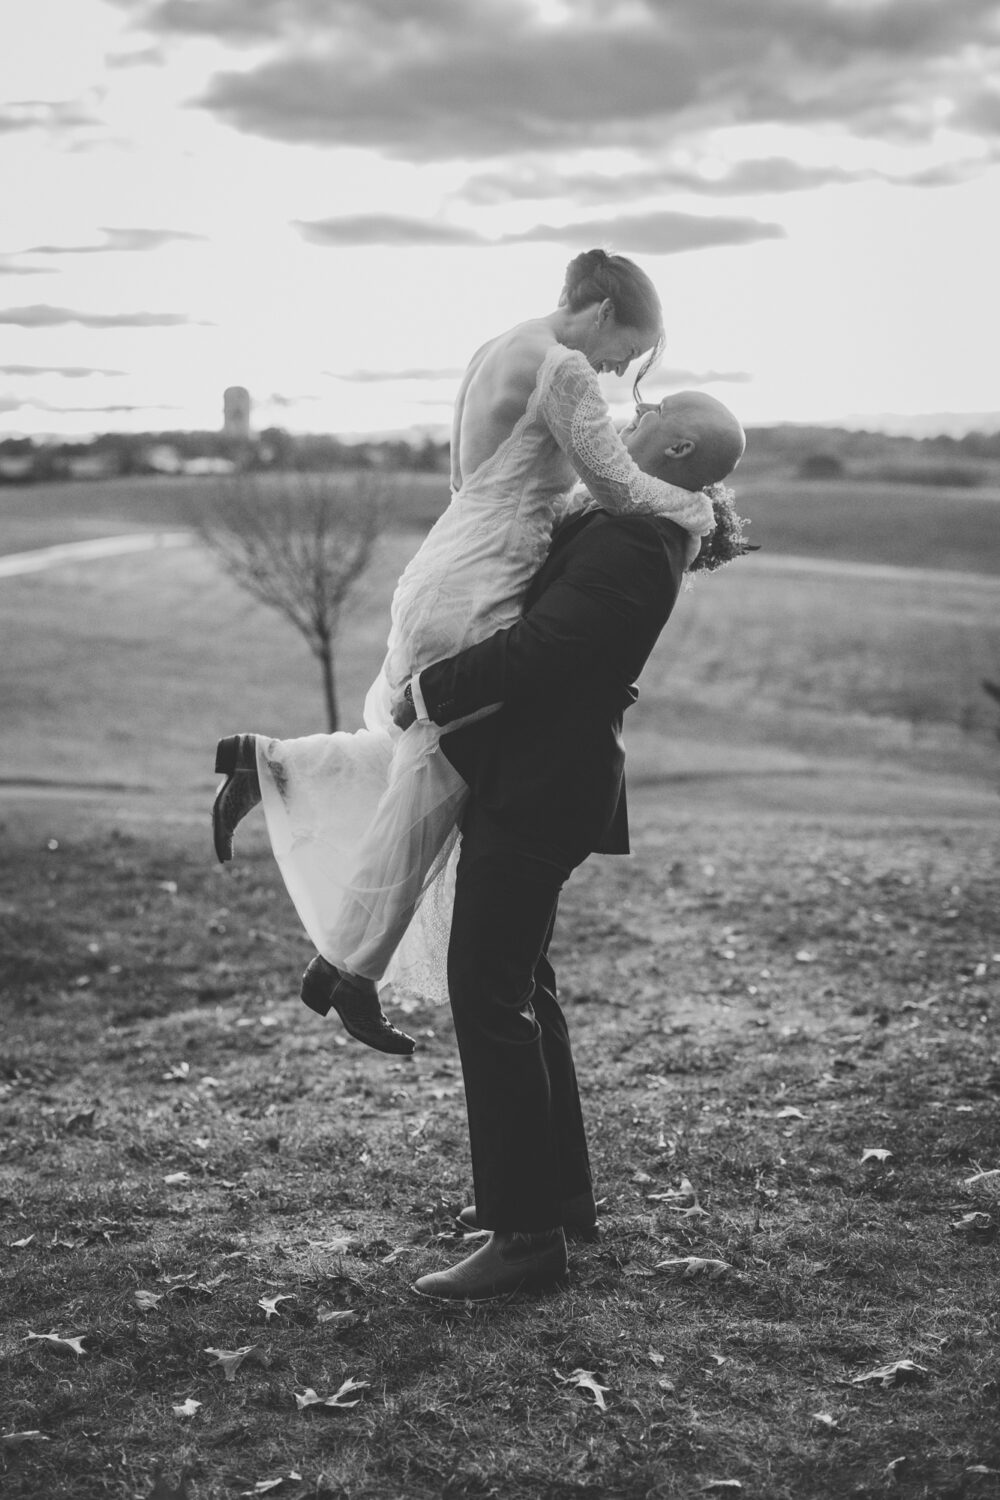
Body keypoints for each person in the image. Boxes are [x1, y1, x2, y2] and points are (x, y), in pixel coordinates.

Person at [212, 251, 717, 1052]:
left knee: (423, 753)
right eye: (629, 348)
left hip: (447, 567)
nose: (621, 371)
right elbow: (619, 488)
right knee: (439, 776)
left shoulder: (498, 347)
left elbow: (494, 482)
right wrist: (698, 512)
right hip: (479, 589)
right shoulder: (562, 369)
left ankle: (275, 769)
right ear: (601, 310)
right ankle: (349, 971)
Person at [403, 391, 748, 1300]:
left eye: (656, 406)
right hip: (539, 777)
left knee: (487, 993)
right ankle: (554, 1199)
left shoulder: (640, 538)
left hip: (541, 785)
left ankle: (526, 1240)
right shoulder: (635, 522)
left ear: (679, 445)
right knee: (521, 985)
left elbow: (546, 647)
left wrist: (429, 690)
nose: (634, 408)